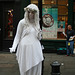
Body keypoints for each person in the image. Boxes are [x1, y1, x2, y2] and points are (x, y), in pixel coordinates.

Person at [9, 4, 44, 75]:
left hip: (35, 48)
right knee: (25, 68)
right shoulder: (22, 22)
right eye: (29, 12)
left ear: (36, 14)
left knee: (35, 67)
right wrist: (14, 47)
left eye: (33, 13)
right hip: (25, 49)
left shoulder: (36, 23)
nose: (31, 14)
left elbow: (39, 38)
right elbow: (17, 36)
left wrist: (39, 33)